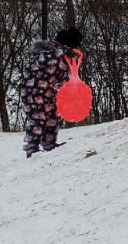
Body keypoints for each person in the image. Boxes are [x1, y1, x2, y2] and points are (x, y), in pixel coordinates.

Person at [19, 26, 83, 157]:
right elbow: (46, 59)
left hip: (49, 92)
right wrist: (63, 51)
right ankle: (31, 147)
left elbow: (61, 77)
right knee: (39, 118)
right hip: (33, 93)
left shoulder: (63, 58)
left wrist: (70, 89)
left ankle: (49, 143)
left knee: (55, 116)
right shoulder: (46, 53)